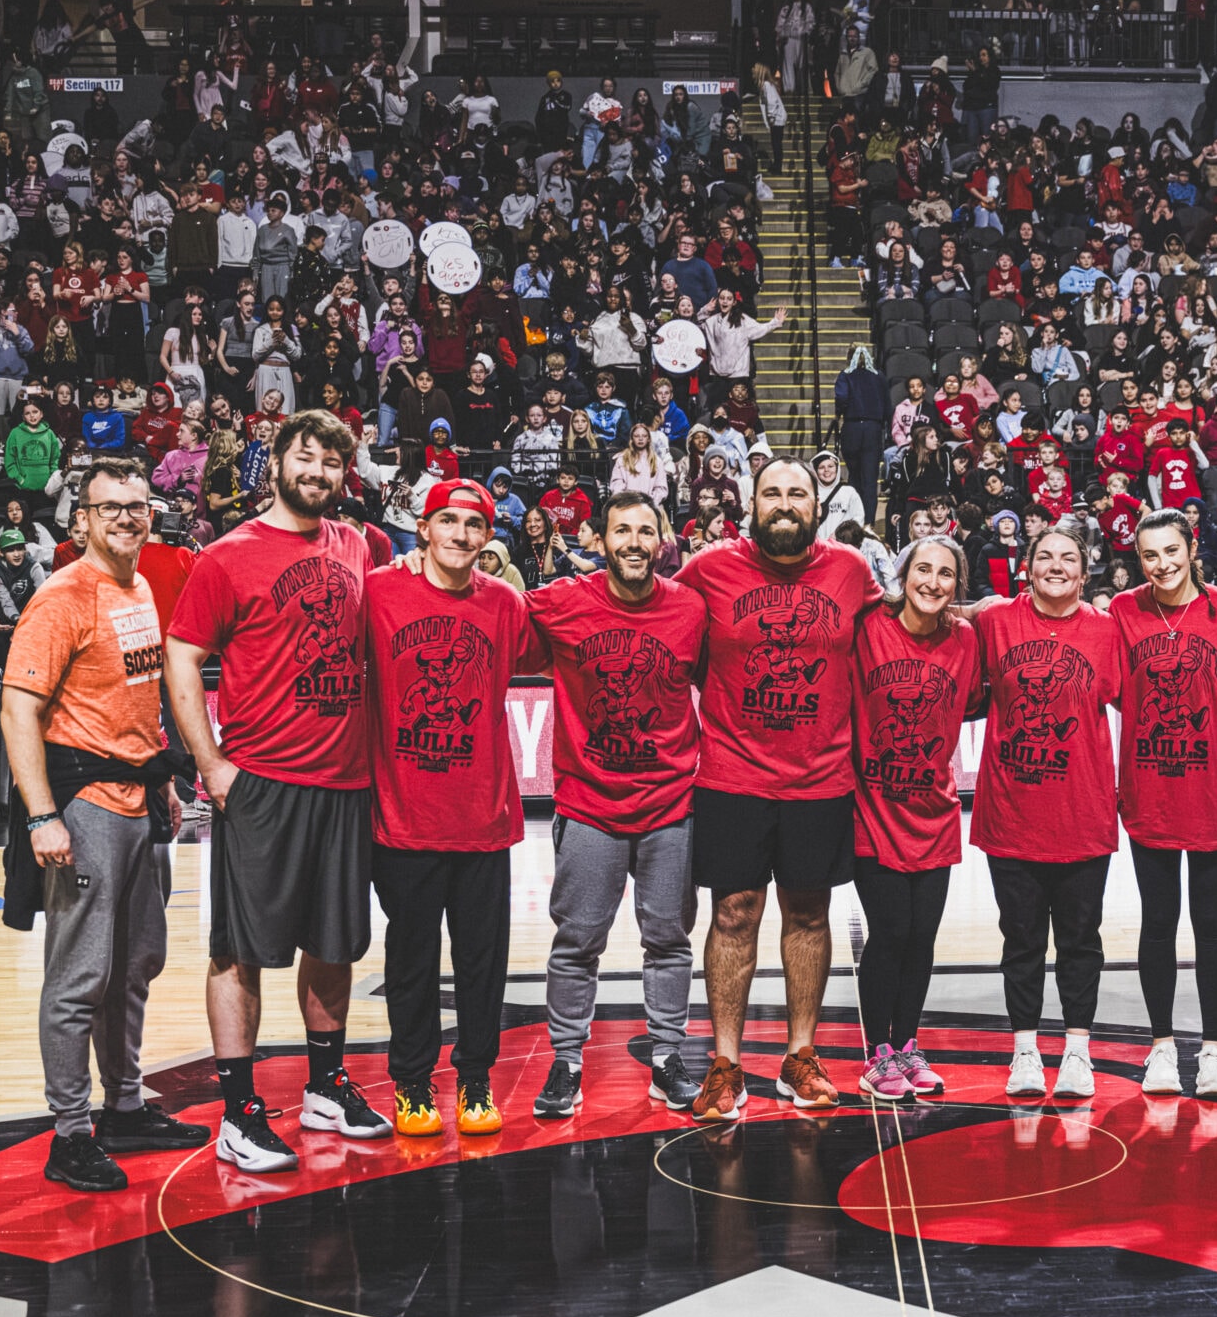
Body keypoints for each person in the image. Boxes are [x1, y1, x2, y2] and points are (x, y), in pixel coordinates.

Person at [167, 411, 392, 1172]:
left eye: (333, 461)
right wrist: (213, 765)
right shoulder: (226, 557)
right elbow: (181, 656)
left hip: (344, 782)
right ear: (276, 462)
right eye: (307, 456)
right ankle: (239, 1112)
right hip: (260, 782)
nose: (320, 471)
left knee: (332, 943)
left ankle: (326, 1085)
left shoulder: (359, 546)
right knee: (240, 950)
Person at [0, 457, 203, 1192]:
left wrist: (163, 784)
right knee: (80, 974)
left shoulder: (140, 585)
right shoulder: (62, 597)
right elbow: (18, 709)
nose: (126, 517)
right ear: (80, 517)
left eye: (138, 505)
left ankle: (123, 1104)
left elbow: (138, 702)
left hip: (139, 798)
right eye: (110, 506)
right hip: (82, 806)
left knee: (137, 962)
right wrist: (42, 813)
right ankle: (69, 1130)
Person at [674, 456, 883, 1120]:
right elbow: (653, 619)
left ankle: (800, 1055)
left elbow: (896, 630)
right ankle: (726, 1063)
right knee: (733, 913)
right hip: (732, 774)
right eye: (772, 493)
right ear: (749, 503)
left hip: (821, 776)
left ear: (818, 506)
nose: (785, 503)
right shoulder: (708, 569)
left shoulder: (851, 571)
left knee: (809, 913)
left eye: (798, 493)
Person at [528, 491, 709, 1118]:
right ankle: (567, 1061)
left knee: (669, 938)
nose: (634, 542)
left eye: (645, 531)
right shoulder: (562, 601)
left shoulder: (690, 608)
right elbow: (487, 609)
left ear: (663, 539)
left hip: (670, 804)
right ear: (598, 540)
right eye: (621, 530)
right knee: (577, 940)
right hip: (589, 805)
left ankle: (666, 1057)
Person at [364, 479, 533, 1139]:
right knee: (409, 963)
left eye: (474, 524)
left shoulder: (505, 605)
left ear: (488, 538)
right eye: (449, 521)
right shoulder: (381, 590)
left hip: (484, 820)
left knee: (481, 965)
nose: (461, 534)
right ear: (425, 528)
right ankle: (410, 1083)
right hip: (404, 820)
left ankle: (475, 1077)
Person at [975, 522, 1123, 1100]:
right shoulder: (995, 622)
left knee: (1082, 940)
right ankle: (1026, 1051)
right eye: (1045, 557)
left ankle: (1079, 1051)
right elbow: (946, 617)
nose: (1055, 566)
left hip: (1082, 815)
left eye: (1068, 559)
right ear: (1027, 568)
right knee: (1022, 940)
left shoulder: (1107, 631)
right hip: (1011, 814)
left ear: (1085, 575)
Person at [1115, 509, 1217, 1098]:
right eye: (1150, 555)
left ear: (1192, 548)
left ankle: (1215, 1050)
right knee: (1159, 922)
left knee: (1212, 921)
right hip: (1149, 788)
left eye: (1172, 551)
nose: (1162, 565)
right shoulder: (1122, 611)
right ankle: (1163, 1047)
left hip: (1215, 787)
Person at [848, 535, 981, 1098]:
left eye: (945, 574)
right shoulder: (868, 628)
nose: (932, 581)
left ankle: (907, 1044)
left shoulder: (966, 640)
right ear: (902, 575)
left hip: (936, 811)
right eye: (922, 569)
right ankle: (877, 1052)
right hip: (873, 810)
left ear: (958, 585)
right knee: (891, 931)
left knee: (922, 937)